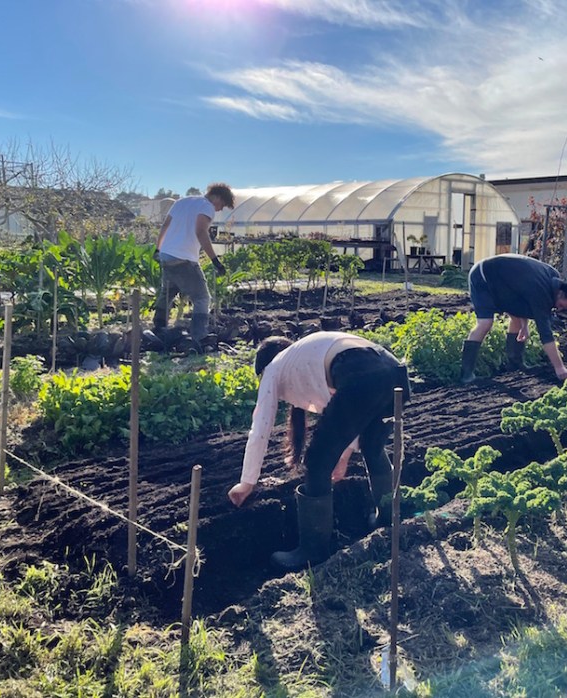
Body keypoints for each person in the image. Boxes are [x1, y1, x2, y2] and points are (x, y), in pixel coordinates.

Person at [228, 332, 411, 570]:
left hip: (361, 374)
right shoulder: (309, 356)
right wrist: (343, 455)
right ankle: (389, 519)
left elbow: (260, 426)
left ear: (263, 367)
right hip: (394, 372)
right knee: (372, 447)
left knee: (316, 462)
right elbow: (349, 417)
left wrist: (247, 482)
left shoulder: (275, 367)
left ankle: (312, 551)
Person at [461, 253, 567, 384]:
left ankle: (515, 363)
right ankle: (466, 374)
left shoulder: (553, 277)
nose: (558, 310)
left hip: (504, 282)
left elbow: (523, 295)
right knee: (485, 323)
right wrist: (559, 368)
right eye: (560, 305)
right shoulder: (542, 291)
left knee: (517, 322)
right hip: (483, 276)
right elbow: (546, 334)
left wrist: (524, 326)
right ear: (560, 294)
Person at [152, 183, 234, 346]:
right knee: (202, 298)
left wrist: (158, 248)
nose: (219, 210)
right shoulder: (207, 206)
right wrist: (215, 261)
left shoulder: (181, 202)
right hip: (184, 258)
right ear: (216, 197)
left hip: (167, 256)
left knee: (168, 291)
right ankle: (200, 337)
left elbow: (165, 226)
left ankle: (158, 329)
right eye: (222, 205)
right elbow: (200, 231)